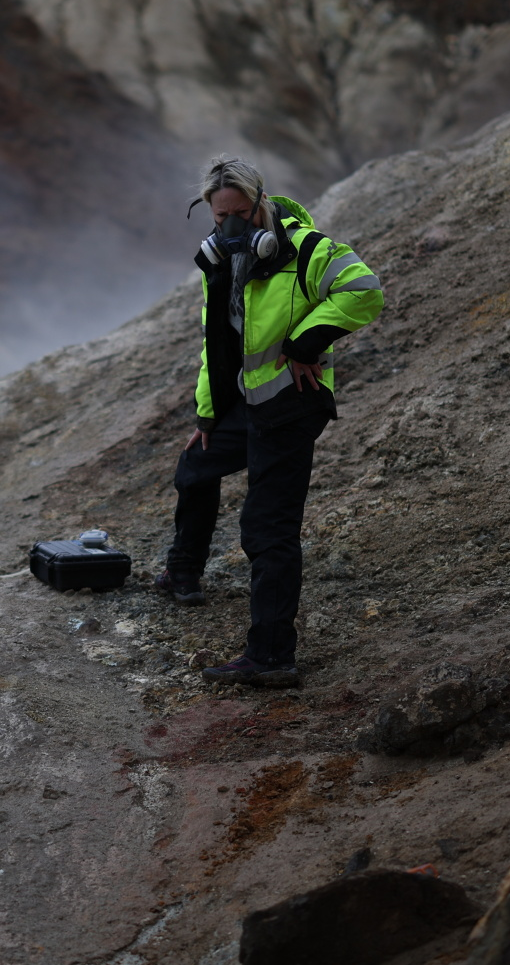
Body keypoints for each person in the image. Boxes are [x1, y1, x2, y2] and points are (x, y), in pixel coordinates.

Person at [158, 156, 384, 686]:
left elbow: (364, 289)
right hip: (246, 404)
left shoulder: (308, 248)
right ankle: (182, 575)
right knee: (195, 467)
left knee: (267, 529)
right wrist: (208, 415)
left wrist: (308, 340)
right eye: (220, 218)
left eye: (241, 212)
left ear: (262, 201)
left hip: (291, 405)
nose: (232, 225)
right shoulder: (221, 263)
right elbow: (218, 346)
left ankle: (272, 656)